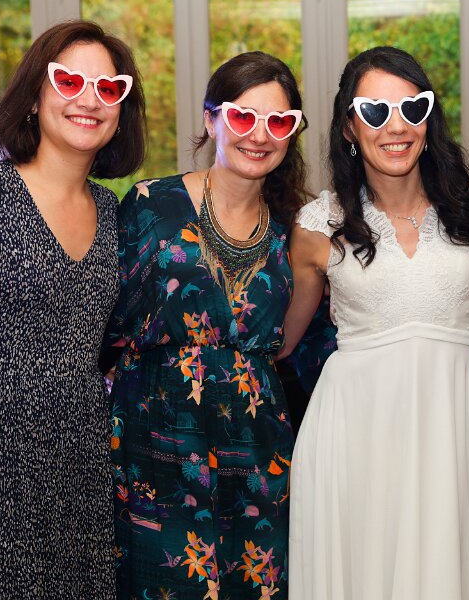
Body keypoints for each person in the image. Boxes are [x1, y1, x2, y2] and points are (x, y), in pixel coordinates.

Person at [0, 20, 146, 596]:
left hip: (78, 478)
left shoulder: (112, 211)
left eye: (108, 88)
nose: (88, 100)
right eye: (69, 81)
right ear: (34, 95)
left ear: (122, 111)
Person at [102, 51, 322, 599]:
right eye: (243, 116)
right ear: (211, 119)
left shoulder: (296, 229)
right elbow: (103, 321)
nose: (259, 135)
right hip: (154, 439)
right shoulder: (151, 205)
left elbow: (295, 344)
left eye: (278, 122)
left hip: (256, 445)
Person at [282, 46, 469, 599]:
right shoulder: (318, 226)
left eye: (412, 108)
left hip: (448, 438)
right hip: (354, 441)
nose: (396, 127)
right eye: (376, 112)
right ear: (349, 128)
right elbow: (279, 342)